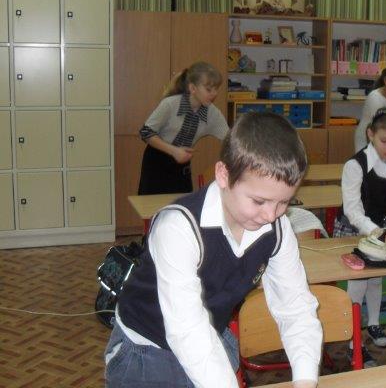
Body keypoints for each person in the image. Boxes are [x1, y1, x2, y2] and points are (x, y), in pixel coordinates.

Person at [105, 112, 322, 388]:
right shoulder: (178, 227)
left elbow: (295, 307)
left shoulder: (278, 228)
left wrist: (305, 379)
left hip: (209, 339)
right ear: (223, 175)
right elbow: (187, 329)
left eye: (284, 202)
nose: (271, 215)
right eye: (259, 201)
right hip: (146, 352)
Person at [335, 107, 386, 367]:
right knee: (357, 285)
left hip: (377, 229)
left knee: (377, 280)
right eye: (385, 141)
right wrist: (374, 231)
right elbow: (352, 210)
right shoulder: (354, 165)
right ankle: (353, 342)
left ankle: (374, 323)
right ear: (370, 134)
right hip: (353, 229)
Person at [138, 61, 229, 195]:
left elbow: (230, 139)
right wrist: (174, 151)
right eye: (209, 89)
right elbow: (145, 132)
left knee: (182, 205)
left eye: (216, 89)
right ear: (192, 88)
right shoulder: (170, 104)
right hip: (156, 163)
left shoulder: (212, 113)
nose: (214, 94)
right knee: (152, 206)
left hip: (181, 168)